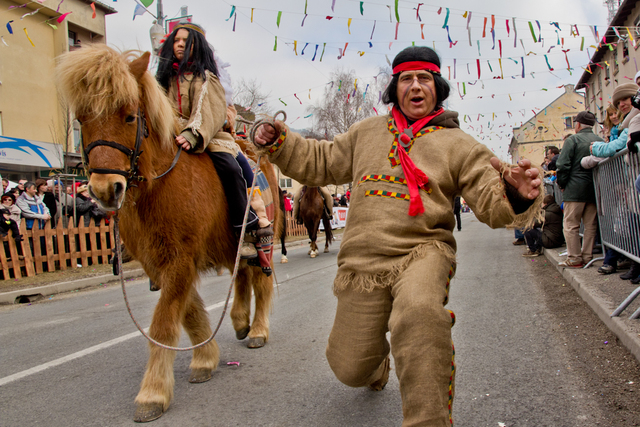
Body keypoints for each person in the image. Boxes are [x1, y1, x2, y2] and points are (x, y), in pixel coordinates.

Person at [252, 45, 542, 425]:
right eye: (407, 79)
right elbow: (320, 159)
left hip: (423, 251)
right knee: (349, 368)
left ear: (437, 87)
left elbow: (490, 198)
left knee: (420, 314)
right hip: (363, 262)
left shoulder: (460, 143)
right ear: (395, 88)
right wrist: (280, 141)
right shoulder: (366, 132)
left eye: (424, 78)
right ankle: (377, 362)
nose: (416, 86)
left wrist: (517, 193)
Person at [155, 22, 271, 263]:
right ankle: (140, 240)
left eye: (185, 41)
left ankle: (245, 232)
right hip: (169, 135)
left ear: (197, 46)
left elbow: (209, 110)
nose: (179, 44)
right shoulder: (163, 79)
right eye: (176, 40)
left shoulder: (207, 78)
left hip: (209, 137)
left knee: (232, 168)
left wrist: (192, 134)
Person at [556, 111, 603, 268]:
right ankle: (587, 255)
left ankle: (575, 258)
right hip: (593, 188)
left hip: (574, 189)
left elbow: (562, 165)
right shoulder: (600, 140)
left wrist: (562, 184)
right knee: (590, 224)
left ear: (577, 125)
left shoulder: (573, 140)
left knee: (571, 225)